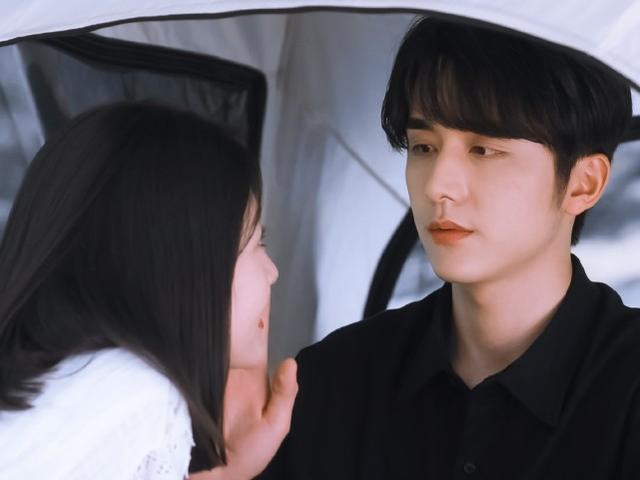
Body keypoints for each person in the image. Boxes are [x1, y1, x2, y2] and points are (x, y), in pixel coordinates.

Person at [260, 16, 640, 479]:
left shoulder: (627, 390)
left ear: (583, 184)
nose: (438, 185)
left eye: (483, 150)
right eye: (423, 147)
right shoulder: (333, 379)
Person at [0, 102, 297, 479]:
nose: (272, 273)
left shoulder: (69, 381)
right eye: (257, 243)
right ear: (187, 267)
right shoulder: (144, 399)